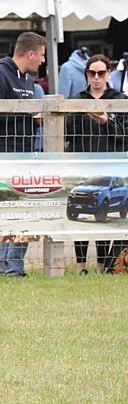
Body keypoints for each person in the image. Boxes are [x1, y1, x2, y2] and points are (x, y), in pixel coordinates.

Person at [0, 31, 47, 277]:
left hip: (26, 153)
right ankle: (12, 268)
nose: (42, 61)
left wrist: (34, 121)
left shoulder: (28, 80)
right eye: (40, 55)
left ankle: (8, 267)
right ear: (30, 54)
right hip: (5, 154)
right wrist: (27, 115)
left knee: (20, 211)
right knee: (17, 211)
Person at [65, 53, 127, 274]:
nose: (97, 77)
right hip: (82, 165)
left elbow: (124, 135)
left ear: (109, 73)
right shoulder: (77, 99)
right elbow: (67, 132)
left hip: (110, 165)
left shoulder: (120, 99)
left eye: (101, 73)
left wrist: (106, 121)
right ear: (87, 74)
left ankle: (102, 265)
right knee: (80, 217)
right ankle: (81, 265)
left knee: (103, 217)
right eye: (92, 73)